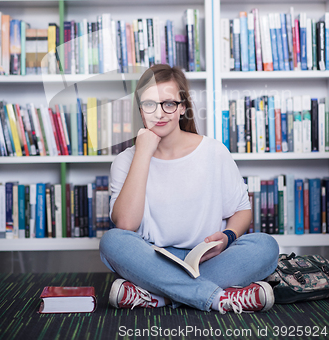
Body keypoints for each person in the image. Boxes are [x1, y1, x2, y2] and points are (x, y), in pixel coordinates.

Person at [99, 64, 279, 313]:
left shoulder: (214, 151)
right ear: (140, 109)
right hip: (152, 260)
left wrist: (227, 238)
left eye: (169, 104)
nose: (159, 113)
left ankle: (158, 296)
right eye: (150, 104)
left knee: (266, 246)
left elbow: (241, 211)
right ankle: (216, 298)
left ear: (182, 107)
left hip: (207, 259)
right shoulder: (126, 160)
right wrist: (143, 152)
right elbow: (126, 225)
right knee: (112, 241)